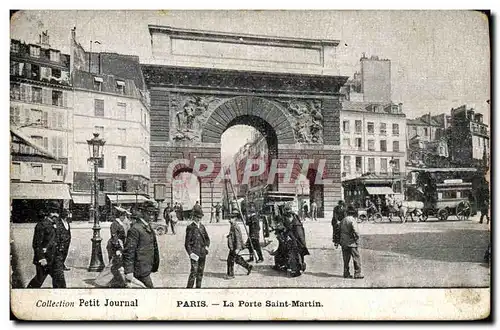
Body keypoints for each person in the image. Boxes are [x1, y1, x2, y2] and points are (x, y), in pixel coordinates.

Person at [27, 205, 66, 288]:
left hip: (56, 259)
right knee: (38, 280)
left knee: (60, 282)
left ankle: (61, 298)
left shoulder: (58, 225)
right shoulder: (41, 225)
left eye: (57, 212)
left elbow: (61, 239)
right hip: (45, 259)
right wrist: (41, 258)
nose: (55, 215)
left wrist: (60, 255)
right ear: (48, 213)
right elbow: (36, 244)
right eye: (53, 212)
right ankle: (26, 294)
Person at [123, 201, 160, 288]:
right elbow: (129, 251)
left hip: (146, 268)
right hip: (139, 269)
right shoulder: (135, 229)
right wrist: (129, 271)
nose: (151, 216)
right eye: (149, 213)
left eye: (153, 214)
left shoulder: (148, 226)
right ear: (143, 213)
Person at [185, 206, 211, 288]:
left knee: (200, 272)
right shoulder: (190, 227)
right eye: (197, 217)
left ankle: (198, 288)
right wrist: (190, 253)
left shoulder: (202, 227)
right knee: (194, 272)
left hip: (202, 252)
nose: (199, 219)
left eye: (200, 217)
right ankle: (189, 289)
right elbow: (187, 243)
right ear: (194, 217)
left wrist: (207, 246)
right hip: (195, 253)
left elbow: (207, 238)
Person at [338, 206, 364, 279]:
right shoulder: (352, 220)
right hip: (351, 242)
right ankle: (357, 273)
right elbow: (356, 231)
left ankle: (346, 273)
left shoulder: (343, 220)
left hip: (343, 241)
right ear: (353, 213)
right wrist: (357, 239)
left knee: (346, 259)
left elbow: (338, 230)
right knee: (356, 257)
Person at [284, 204, 309, 276]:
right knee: (300, 253)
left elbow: (289, 229)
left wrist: (288, 235)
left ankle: (296, 271)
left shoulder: (292, 221)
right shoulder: (296, 217)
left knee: (294, 255)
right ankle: (301, 266)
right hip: (300, 238)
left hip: (295, 239)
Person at [226, 212, 253, 279]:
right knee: (236, 259)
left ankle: (231, 275)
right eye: (229, 218)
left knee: (230, 260)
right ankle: (248, 266)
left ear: (235, 219)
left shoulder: (235, 227)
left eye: (231, 218)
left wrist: (237, 248)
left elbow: (238, 238)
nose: (229, 220)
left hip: (235, 247)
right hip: (233, 246)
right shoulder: (233, 225)